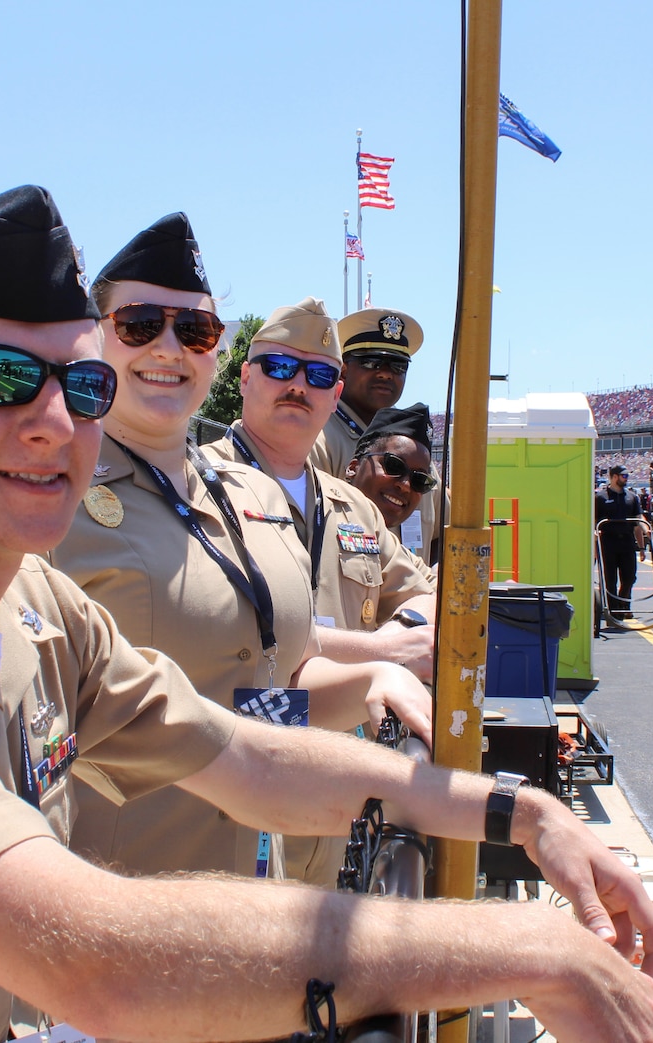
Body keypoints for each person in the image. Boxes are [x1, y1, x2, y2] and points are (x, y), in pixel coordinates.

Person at [0, 187, 653, 1043]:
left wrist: (515, 810)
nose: (52, 420)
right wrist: (524, 947)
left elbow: (243, 750)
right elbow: (95, 958)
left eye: (78, 382)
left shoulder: (31, 603)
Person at [49, 215, 431, 887]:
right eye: (139, 324)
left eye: (194, 330)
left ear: (217, 354)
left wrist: (374, 681)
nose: (169, 347)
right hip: (115, 901)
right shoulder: (46, 492)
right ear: (91, 339)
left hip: (259, 885)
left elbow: (271, 685)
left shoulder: (245, 495)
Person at [206, 298, 436, 676]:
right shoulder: (195, 484)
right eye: (280, 368)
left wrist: (403, 627)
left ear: (334, 394)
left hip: (346, 730)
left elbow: (425, 591)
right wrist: (382, 650)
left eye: (319, 376)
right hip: (244, 728)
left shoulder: (352, 506)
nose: (298, 385)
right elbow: (224, 626)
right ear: (245, 378)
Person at [308, 306, 444, 565]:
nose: (385, 373)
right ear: (344, 369)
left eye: (397, 365)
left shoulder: (416, 453)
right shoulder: (318, 440)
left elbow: (441, 534)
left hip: (414, 602)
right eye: (371, 362)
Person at [345, 402, 439, 537]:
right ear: (353, 468)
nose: (406, 485)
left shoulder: (399, 555)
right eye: (394, 466)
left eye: (420, 480)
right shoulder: (320, 524)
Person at [594, 464, 649, 621]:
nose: (626, 479)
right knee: (610, 579)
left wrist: (645, 535)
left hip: (627, 541)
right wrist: (594, 542)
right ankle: (614, 610)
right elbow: (594, 521)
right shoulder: (600, 497)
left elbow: (638, 519)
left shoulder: (632, 497)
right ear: (615, 477)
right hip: (608, 542)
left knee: (630, 577)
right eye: (623, 476)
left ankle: (622, 604)